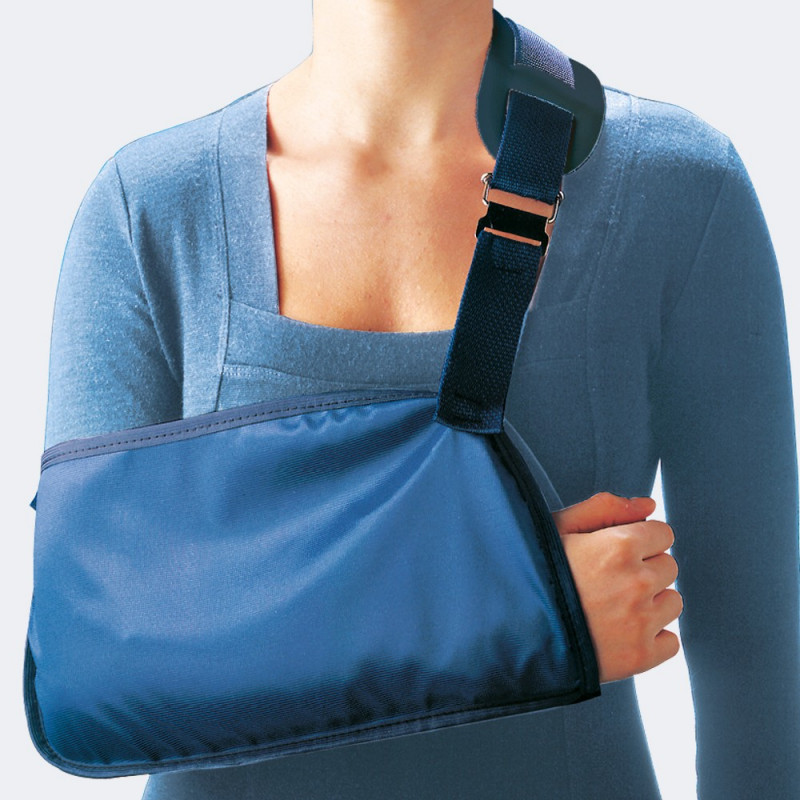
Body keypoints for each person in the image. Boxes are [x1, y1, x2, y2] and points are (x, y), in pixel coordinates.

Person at [39, 1, 799, 798]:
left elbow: (760, 674)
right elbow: (92, 671)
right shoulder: (151, 206)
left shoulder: (676, 187)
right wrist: (514, 614)